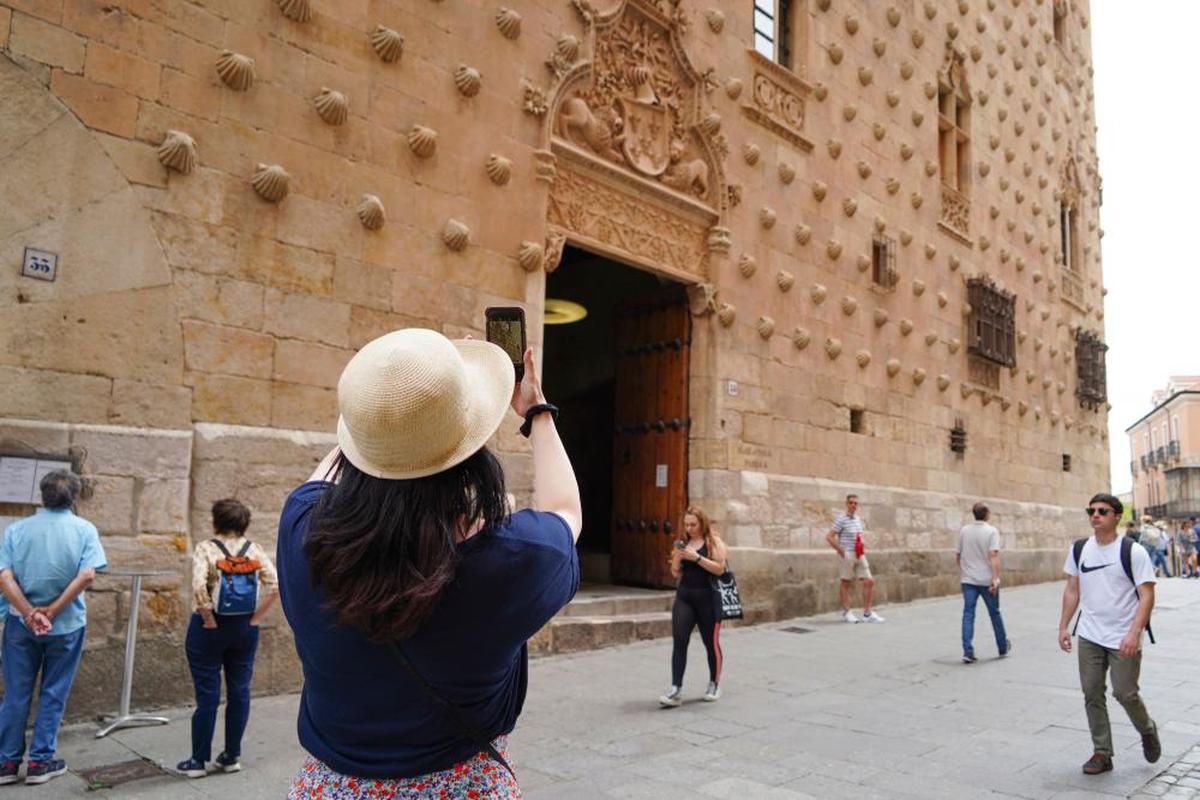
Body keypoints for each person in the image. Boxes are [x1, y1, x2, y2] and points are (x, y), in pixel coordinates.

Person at [280, 329, 582, 799]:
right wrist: (534, 411)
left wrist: (383, 411)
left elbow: (332, 470)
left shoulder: (303, 531)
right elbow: (566, 510)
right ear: (471, 461)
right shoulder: (512, 563)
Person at [0, 470, 106, 786]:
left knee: (16, 693)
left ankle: (6, 762)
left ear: (41, 496)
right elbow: (87, 575)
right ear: (73, 498)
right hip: (67, 625)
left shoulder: (16, 530)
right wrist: (53, 610)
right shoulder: (85, 529)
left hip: (21, 625)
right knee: (54, 692)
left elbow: (4, 577)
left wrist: (30, 612)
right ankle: (40, 762)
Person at [175, 498, 279, 778]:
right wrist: (256, 619)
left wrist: (208, 619)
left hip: (210, 629)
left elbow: (199, 586)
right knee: (240, 691)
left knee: (207, 696)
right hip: (245, 628)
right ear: (244, 523)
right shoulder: (253, 549)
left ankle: (198, 761)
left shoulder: (206, 548)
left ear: (216, 521)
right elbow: (275, 584)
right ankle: (231, 756)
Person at [1058, 493, 1160, 775]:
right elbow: (1072, 589)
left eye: (1102, 511)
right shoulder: (1079, 549)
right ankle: (1102, 752)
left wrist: (1134, 632)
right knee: (1092, 692)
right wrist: (1063, 626)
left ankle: (1147, 730)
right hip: (1090, 633)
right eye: (1091, 510)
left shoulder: (1132, 551)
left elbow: (1147, 595)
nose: (1095, 515)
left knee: (1125, 693)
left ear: (1116, 515)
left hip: (1123, 635)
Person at [658, 506, 728, 707]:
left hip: (708, 600)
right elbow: (675, 573)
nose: (689, 528)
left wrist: (696, 558)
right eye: (687, 524)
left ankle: (714, 683)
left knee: (710, 642)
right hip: (685, 598)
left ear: (702, 523)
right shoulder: (683, 543)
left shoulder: (713, 542)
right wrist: (678, 559)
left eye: (693, 524)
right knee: (679, 641)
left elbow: (720, 569)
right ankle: (675, 689)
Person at [956, 502, 1010, 663]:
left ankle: (967, 650)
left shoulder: (964, 531)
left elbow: (958, 556)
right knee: (994, 613)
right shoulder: (991, 531)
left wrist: (966, 571)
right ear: (987, 514)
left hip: (968, 580)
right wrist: (995, 578)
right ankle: (1002, 646)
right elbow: (993, 556)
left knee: (968, 614)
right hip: (987, 580)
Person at [825, 494, 884, 623]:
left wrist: (862, 543)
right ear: (846, 504)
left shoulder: (858, 519)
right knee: (846, 582)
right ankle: (847, 612)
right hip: (848, 554)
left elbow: (858, 536)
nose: (853, 505)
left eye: (856, 503)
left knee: (869, 581)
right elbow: (829, 536)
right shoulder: (841, 519)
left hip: (859, 553)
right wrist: (841, 550)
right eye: (851, 503)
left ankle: (867, 613)